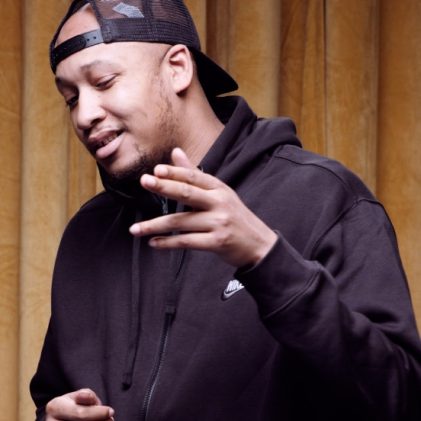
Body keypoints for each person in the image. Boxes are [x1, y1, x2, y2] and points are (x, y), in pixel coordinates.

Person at [30, 0, 421, 420]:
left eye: (104, 82)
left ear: (178, 68)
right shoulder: (87, 233)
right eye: (71, 98)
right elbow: (54, 394)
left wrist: (267, 260)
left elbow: (399, 399)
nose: (84, 115)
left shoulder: (322, 197)